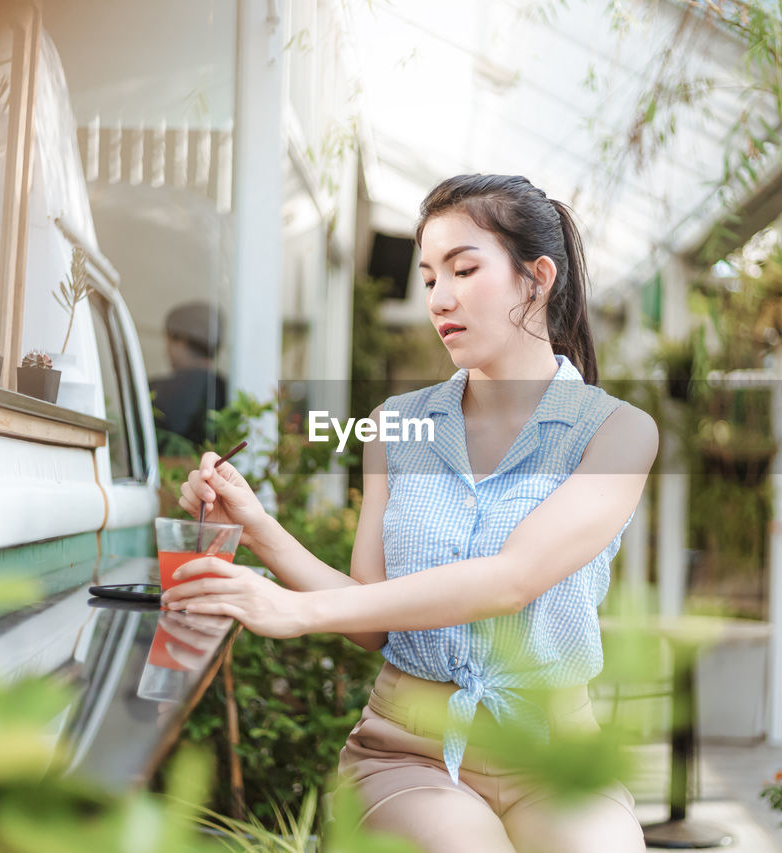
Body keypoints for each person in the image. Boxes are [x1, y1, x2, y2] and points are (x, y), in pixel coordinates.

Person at [163, 174, 657, 853]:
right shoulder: (395, 426)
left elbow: (511, 578)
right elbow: (374, 615)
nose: (439, 299)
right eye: (428, 277)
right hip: (410, 754)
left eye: (463, 269)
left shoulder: (617, 433)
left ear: (535, 279)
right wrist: (254, 525)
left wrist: (295, 610)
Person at [149, 301, 228, 451]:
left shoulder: (156, 392)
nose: (166, 351)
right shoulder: (228, 390)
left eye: (168, 340)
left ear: (182, 339)